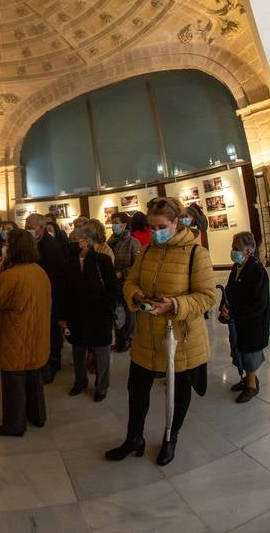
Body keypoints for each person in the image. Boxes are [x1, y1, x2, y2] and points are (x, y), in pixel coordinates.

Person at [106, 197, 215, 466]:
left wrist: (174, 304)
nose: (156, 233)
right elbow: (130, 282)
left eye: (161, 227)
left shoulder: (196, 252)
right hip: (147, 336)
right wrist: (137, 295)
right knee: (137, 388)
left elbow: (207, 296)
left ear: (176, 222)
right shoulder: (147, 250)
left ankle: (170, 437)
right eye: (152, 228)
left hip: (181, 337)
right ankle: (134, 438)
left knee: (177, 391)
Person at [0, 227, 51, 436]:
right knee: (34, 377)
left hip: (16, 334)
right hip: (37, 333)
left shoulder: (10, 276)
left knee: (13, 382)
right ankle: (38, 416)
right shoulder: (39, 271)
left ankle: (14, 425)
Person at [63, 222, 117, 402]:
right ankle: (80, 381)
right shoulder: (69, 262)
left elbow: (112, 288)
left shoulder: (102, 260)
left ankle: (101, 386)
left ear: (86, 241)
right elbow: (66, 290)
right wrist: (64, 316)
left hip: (99, 314)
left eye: (75, 239)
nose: (72, 242)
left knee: (102, 353)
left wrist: (107, 310)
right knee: (78, 350)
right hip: (77, 314)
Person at [223, 231, 270, 403]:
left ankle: (252, 386)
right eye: (233, 247)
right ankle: (247, 380)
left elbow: (260, 303)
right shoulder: (237, 266)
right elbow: (229, 289)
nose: (233, 251)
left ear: (248, 251)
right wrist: (225, 305)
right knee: (239, 351)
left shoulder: (258, 271)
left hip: (253, 323)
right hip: (239, 320)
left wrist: (234, 313)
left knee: (250, 354)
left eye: (236, 248)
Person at [25, 213, 67, 383]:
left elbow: (55, 276)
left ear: (40, 228)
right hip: (38, 296)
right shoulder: (35, 243)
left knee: (51, 332)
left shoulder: (50, 246)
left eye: (30, 226)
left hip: (50, 296)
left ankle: (52, 364)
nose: (27, 229)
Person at [109, 211, 141, 352]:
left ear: (124, 224)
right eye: (112, 223)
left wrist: (123, 273)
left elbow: (138, 265)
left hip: (126, 283)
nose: (113, 226)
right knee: (117, 313)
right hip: (114, 284)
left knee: (128, 313)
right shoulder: (110, 241)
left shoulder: (133, 242)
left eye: (116, 223)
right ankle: (119, 338)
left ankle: (128, 339)